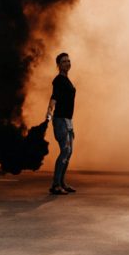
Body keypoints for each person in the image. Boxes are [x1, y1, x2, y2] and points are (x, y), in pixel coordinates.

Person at [45, 52, 76, 195]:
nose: (67, 63)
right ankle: (55, 185)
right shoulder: (58, 80)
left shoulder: (66, 79)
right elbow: (54, 98)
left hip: (68, 120)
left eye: (68, 61)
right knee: (65, 150)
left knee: (68, 153)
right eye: (64, 61)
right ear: (58, 65)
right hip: (60, 120)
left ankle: (61, 182)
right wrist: (49, 112)